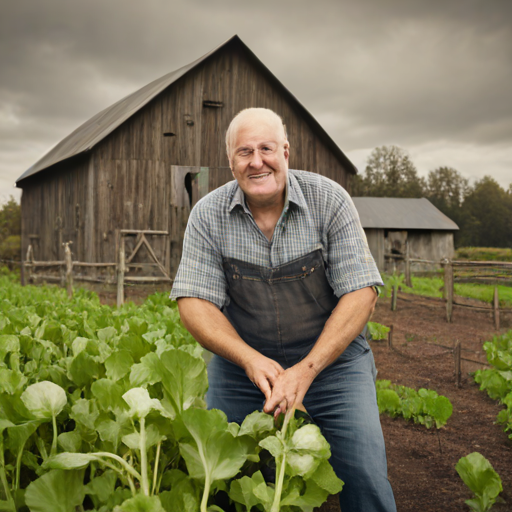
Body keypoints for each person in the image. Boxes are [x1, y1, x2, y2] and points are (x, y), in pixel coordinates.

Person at [171, 108, 397, 511]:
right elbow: (194, 302)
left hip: (332, 364)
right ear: (231, 162)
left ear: (286, 152)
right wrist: (249, 359)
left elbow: (362, 292)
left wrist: (307, 369)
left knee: (363, 474)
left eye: (266, 148)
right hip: (245, 368)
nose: (257, 161)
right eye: (244, 152)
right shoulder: (207, 215)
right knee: (231, 481)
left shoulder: (330, 200)